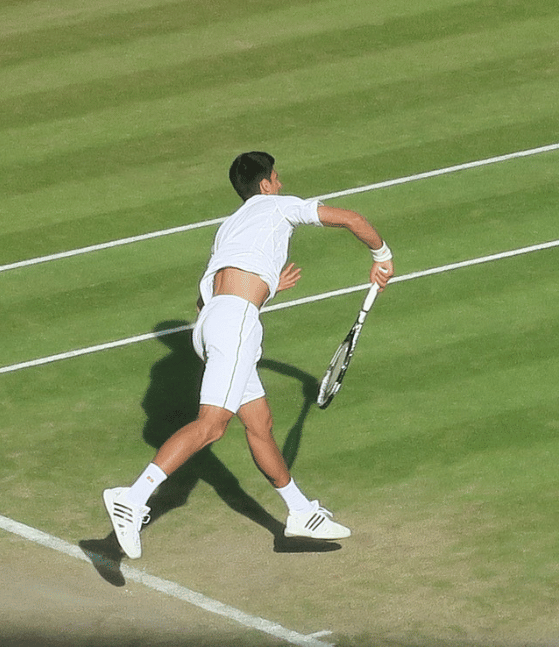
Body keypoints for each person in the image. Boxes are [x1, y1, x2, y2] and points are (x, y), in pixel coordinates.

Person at [102, 151, 394, 559]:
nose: (280, 183)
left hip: (211, 324)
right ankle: (132, 498)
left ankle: (299, 512)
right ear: (266, 184)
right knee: (212, 426)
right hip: (236, 323)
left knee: (260, 423)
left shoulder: (231, 226)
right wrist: (382, 257)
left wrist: (268, 287)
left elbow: (215, 296)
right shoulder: (280, 206)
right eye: (277, 177)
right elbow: (351, 219)